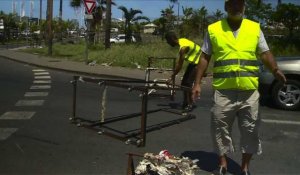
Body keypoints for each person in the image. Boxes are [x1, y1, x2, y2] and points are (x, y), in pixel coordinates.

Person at [191, 0, 286, 175]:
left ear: (244, 7)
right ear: (226, 7)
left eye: (240, 3)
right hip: (223, 91)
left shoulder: (254, 28)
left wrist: (275, 69)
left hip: (249, 92)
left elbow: (265, 53)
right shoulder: (213, 29)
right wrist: (197, 83)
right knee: (219, 129)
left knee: (250, 131)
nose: (236, 7)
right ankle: (223, 164)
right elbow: (205, 56)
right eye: (233, 4)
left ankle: (245, 168)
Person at [165, 31, 201, 112]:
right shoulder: (182, 40)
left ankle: (190, 104)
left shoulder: (183, 48)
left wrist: (172, 77)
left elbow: (179, 65)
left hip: (199, 64)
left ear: (171, 39)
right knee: (184, 84)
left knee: (187, 84)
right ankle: (186, 102)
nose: (168, 43)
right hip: (194, 63)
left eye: (168, 41)